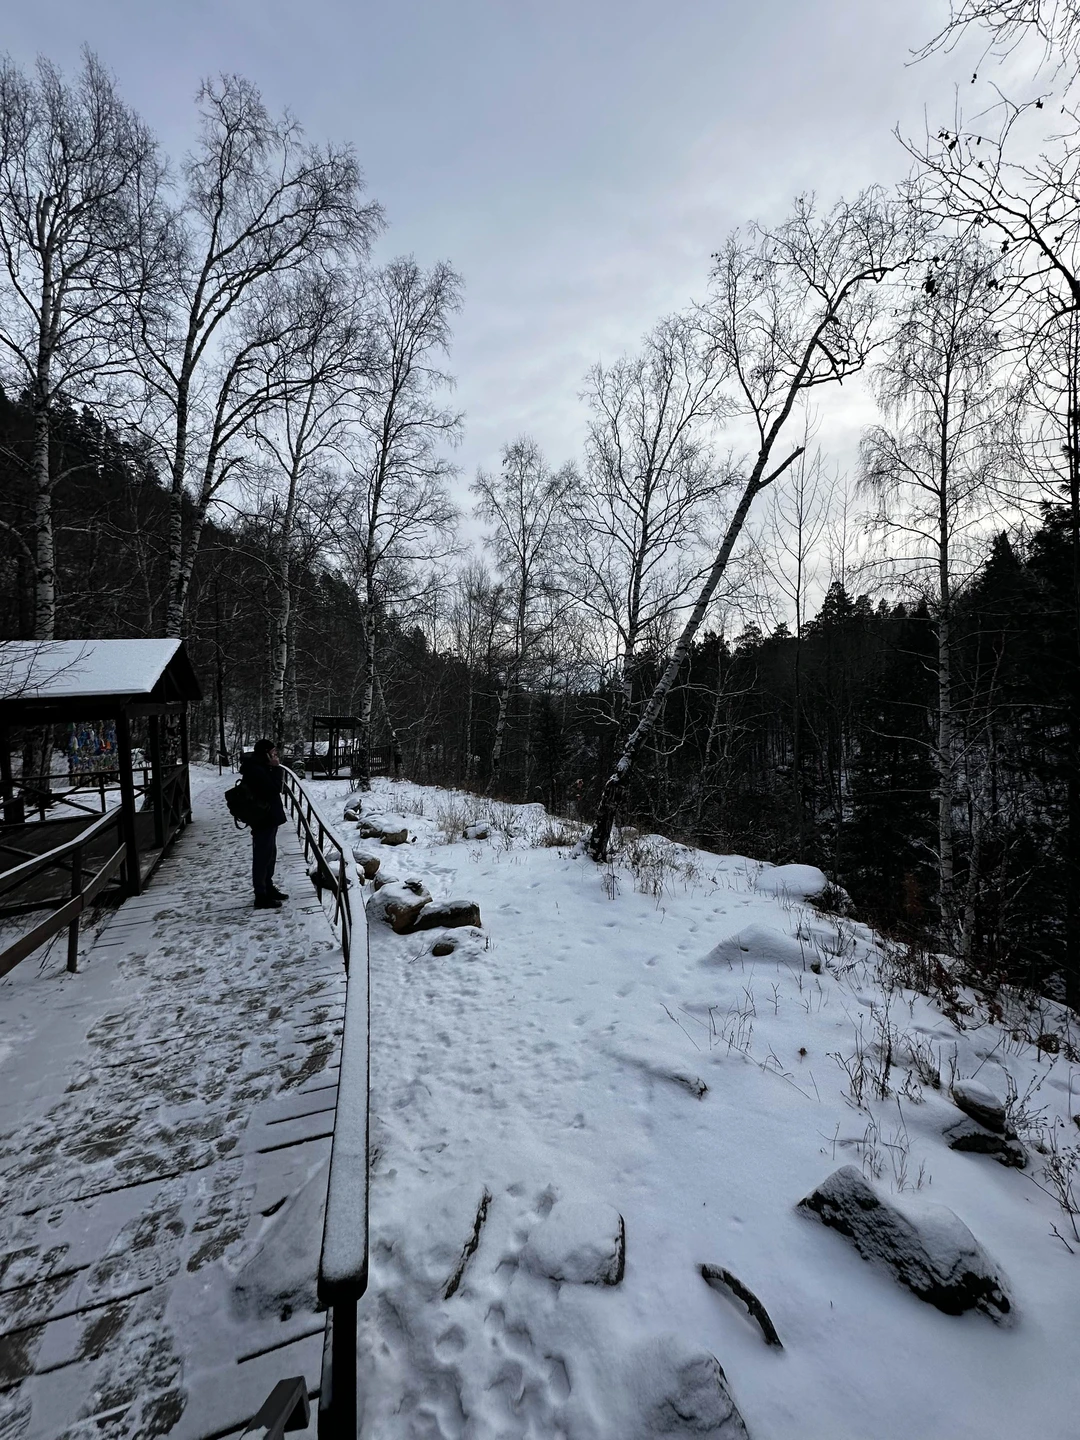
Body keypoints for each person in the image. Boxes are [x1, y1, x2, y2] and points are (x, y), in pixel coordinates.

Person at [240, 739, 288, 910]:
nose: (275, 756)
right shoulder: (256, 769)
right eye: (273, 753)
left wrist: (273, 768)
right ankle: (260, 895)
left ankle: (267, 887)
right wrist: (276, 768)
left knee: (270, 854)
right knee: (262, 856)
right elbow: (274, 789)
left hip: (268, 817)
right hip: (263, 818)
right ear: (265, 753)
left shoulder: (259, 767)